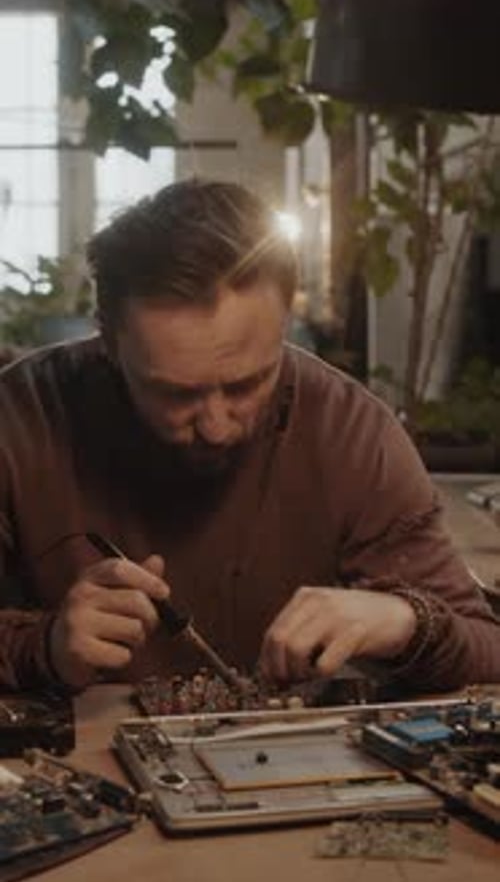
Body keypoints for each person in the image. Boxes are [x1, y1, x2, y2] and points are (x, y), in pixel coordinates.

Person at [0, 178, 499, 694]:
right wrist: (46, 647)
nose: (216, 425)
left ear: (286, 322)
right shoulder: (19, 417)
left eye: (246, 384)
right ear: (108, 339)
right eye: (175, 395)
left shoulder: (352, 433)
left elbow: (487, 645)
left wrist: (405, 622)